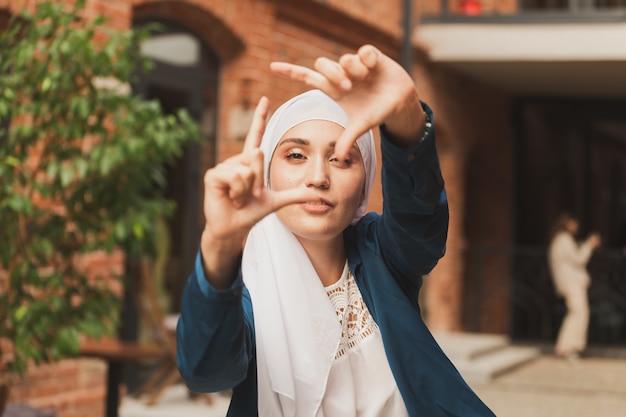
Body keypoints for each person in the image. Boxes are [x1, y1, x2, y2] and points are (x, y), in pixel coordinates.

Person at [176, 44, 495, 416]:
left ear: (365, 182)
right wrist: (220, 243)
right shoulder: (247, 292)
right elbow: (206, 373)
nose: (317, 178)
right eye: (296, 155)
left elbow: (420, 224)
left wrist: (406, 116)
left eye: (342, 159)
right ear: (267, 173)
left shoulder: (382, 253)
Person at [547, 212, 601, 360]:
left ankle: (568, 347)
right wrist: (589, 245)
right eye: (574, 222)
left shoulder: (560, 239)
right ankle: (566, 347)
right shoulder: (563, 239)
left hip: (570, 282)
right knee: (578, 313)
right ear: (567, 223)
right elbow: (578, 259)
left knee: (578, 312)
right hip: (572, 282)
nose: (576, 226)